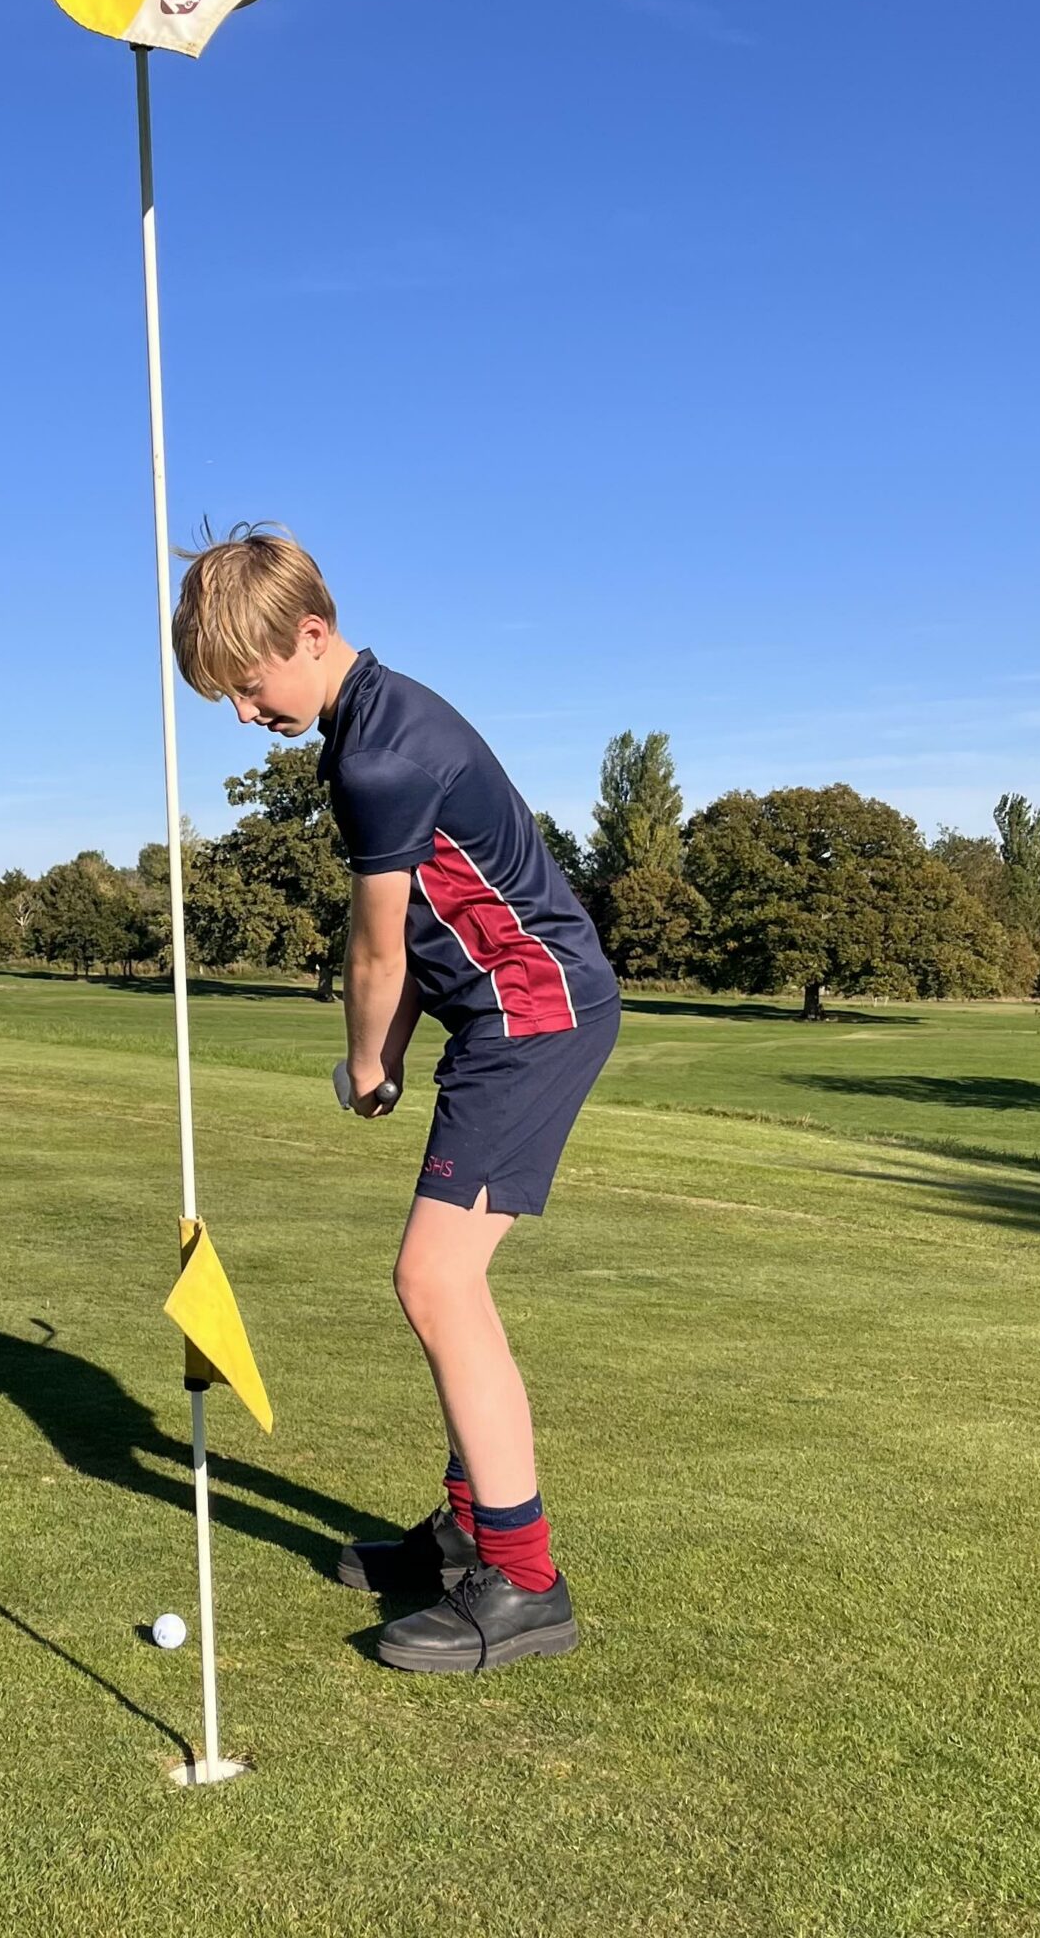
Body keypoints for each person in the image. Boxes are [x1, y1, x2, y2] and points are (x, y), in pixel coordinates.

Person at [172, 525, 620, 1673]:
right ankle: (468, 1532)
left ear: (310, 635)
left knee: (434, 1277)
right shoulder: (367, 728)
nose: (241, 711)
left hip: (534, 1013)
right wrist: (401, 1044)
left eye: (247, 681)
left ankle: (522, 1580)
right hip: (503, 1012)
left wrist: (368, 1060)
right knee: (438, 1276)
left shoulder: (383, 754)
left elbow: (376, 951)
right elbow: (428, 921)